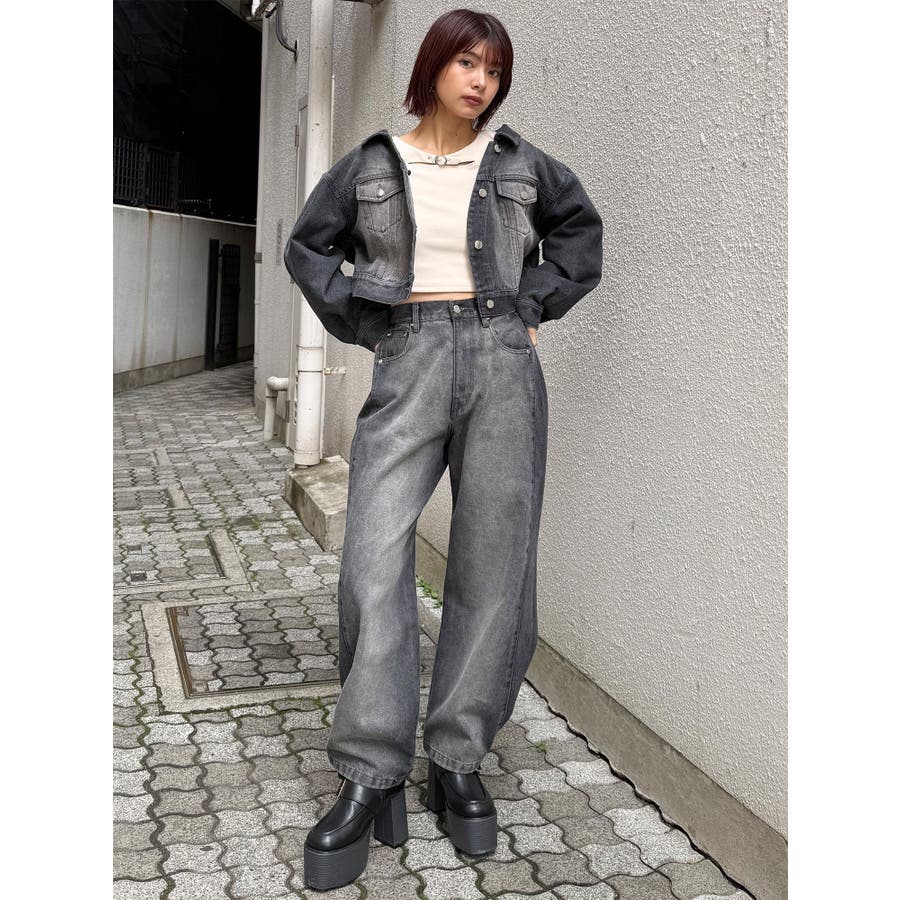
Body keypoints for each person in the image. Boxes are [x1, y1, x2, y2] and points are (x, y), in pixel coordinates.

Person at [283, 8, 604, 890]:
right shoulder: (373, 164)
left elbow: (579, 235)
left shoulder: (521, 162)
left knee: (493, 562)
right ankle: (370, 768)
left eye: (493, 69)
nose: (481, 81)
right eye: (467, 63)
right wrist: (371, 324)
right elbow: (310, 249)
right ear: (433, 67)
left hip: (503, 362)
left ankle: (457, 757)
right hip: (412, 355)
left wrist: (532, 303)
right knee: (372, 554)